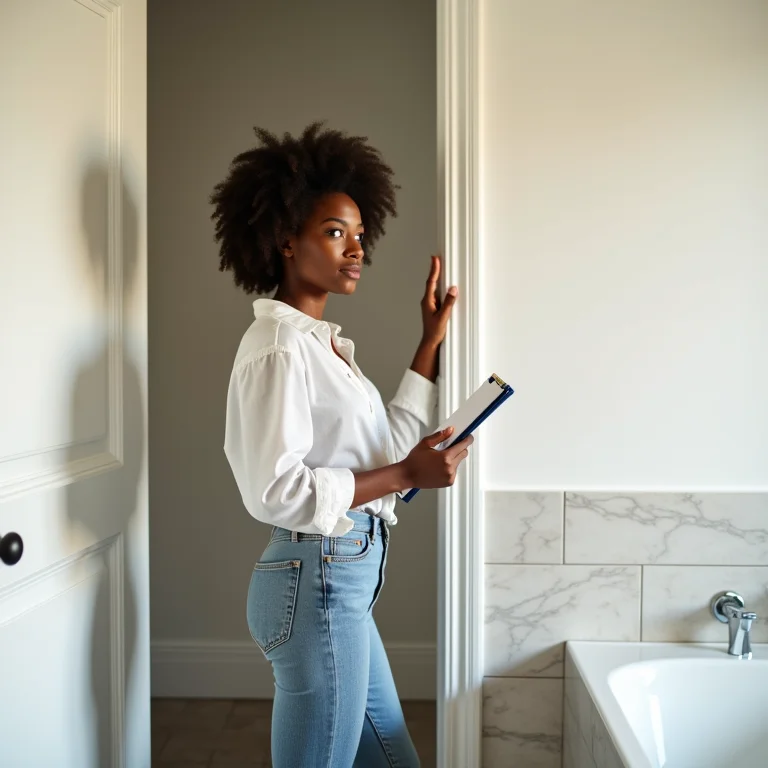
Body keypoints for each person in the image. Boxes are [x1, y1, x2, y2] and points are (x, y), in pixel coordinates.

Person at [211, 123, 473, 768]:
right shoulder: (279, 347)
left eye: (359, 234)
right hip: (318, 581)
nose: (356, 249)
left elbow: (383, 450)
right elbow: (276, 489)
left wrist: (429, 343)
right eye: (335, 232)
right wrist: (405, 475)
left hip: (337, 583)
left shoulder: (318, 345)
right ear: (285, 240)